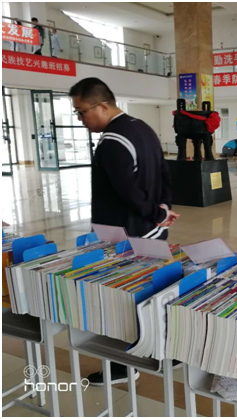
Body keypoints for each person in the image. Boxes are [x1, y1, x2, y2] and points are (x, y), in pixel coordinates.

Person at [69, 77, 179, 385]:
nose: (80, 119)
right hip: (152, 231)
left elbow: (126, 191)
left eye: (81, 112)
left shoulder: (112, 142)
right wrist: (163, 210)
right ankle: (162, 351)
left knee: (122, 301)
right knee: (152, 293)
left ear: (102, 106)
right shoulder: (142, 128)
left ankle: (123, 366)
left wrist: (156, 212)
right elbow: (165, 173)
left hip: (126, 236)